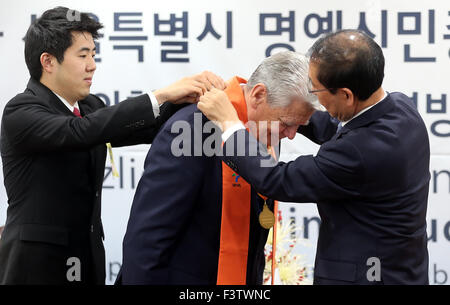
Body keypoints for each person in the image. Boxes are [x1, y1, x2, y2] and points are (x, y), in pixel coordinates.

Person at [0, 6, 225, 284]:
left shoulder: (90, 106)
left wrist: (190, 99)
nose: (92, 64)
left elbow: (142, 128)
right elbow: (79, 132)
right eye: (82, 55)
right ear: (48, 61)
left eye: (93, 54)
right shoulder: (21, 110)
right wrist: (162, 93)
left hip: (88, 257)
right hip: (35, 265)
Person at [198, 29, 430, 284]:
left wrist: (230, 123)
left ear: (346, 95)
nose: (311, 93)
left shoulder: (359, 153)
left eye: (315, 90)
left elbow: (275, 179)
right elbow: (338, 128)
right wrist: (283, 106)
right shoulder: (401, 109)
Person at [118, 51, 316, 285]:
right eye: (287, 124)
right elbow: (147, 239)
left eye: (298, 126)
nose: (291, 135)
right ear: (259, 94)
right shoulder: (192, 128)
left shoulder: (268, 129)